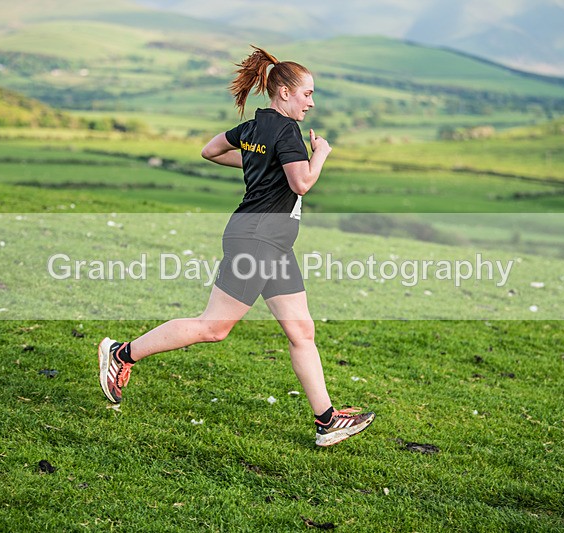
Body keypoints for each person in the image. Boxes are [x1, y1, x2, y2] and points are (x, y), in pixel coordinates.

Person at [98, 46, 374, 447]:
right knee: (214, 327)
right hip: (257, 239)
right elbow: (302, 184)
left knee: (301, 331)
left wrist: (259, 165)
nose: (311, 102)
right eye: (307, 94)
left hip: (271, 242)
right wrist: (321, 155)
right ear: (284, 92)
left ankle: (327, 420)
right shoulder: (287, 132)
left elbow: (210, 151)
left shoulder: (254, 126)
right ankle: (122, 354)